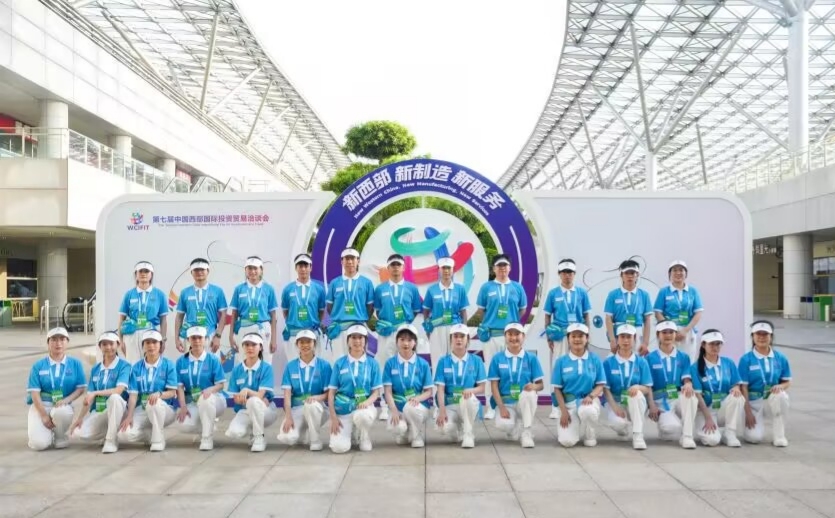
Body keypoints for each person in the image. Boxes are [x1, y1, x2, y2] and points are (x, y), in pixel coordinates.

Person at [474, 254, 528, 419]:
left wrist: (512, 324)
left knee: (512, 370)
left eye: (505, 265)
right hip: (492, 336)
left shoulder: (517, 287)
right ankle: (490, 407)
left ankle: (511, 404)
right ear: (494, 269)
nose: (502, 268)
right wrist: (488, 323)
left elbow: (522, 310)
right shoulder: (486, 287)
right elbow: (481, 311)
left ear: (509, 268)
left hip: (512, 337)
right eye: (499, 266)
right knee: (491, 371)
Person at [374, 254, 422, 421]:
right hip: (386, 333)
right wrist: (386, 324)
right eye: (392, 265)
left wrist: (404, 324)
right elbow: (377, 310)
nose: (395, 268)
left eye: (398, 265)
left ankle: (406, 402)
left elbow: (415, 310)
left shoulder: (411, 288)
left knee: (405, 366)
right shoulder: (380, 289)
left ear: (403, 268)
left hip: (404, 332)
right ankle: (384, 406)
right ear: (388, 268)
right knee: (385, 367)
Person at [543, 258, 592, 419]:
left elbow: (586, 315)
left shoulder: (581, 293)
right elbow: (547, 316)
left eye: (570, 272)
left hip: (578, 335)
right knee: (558, 368)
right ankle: (555, 406)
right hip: (560, 336)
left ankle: (575, 402)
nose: (567, 275)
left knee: (577, 368)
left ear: (574, 274)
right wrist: (549, 336)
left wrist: (587, 335)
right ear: (559, 274)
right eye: (564, 272)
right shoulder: (553, 293)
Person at [70, 331, 131, 453]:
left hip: (119, 410)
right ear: (100, 346)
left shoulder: (124, 366)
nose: (108, 347)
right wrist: (79, 418)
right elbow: (89, 398)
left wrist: (96, 393)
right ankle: (108, 432)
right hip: (100, 411)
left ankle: (111, 440)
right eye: (104, 344)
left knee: (115, 398)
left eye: (111, 344)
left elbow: (119, 390)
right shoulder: (96, 369)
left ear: (118, 345)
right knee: (78, 433)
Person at [27, 327, 86, 451]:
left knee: (62, 412)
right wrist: (43, 415)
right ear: (48, 343)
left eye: (62, 339)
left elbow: (80, 388)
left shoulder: (75, 364)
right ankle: (45, 433)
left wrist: (66, 400)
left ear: (67, 342)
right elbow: (34, 393)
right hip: (41, 405)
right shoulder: (38, 365)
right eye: (53, 339)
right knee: (39, 444)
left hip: (62, 405)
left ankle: (60, 435)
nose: (58, 343)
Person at [118, 330, 178, 452]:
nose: (151, 346)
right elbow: (133, 395)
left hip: (164, 408)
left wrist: (159, 394)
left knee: (154, 403)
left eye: (154, 342)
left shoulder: (168, 365)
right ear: (143, 346)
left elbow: (172, 392)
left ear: (161, 345)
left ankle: (158, 440)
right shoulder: (136, 367)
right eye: (147, 343)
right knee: (123, 435)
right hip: (142, 408)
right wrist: (129, 416)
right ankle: (150, 435)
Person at [327, 324, 382, 453]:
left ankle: (363, 436)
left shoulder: (373, 363)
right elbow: (331, 393)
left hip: (363, 407)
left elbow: (376, 392)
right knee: (339, 448)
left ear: (365, 341)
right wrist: (333, 417)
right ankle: (350, 432)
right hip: (344, 408)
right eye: (353, 337)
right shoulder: (339, 363)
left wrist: (366, 403)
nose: (357, 341)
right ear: (348, 341)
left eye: (360, 337)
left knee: (363, 416)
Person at [488, 323, 543, 448]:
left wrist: (533, 387)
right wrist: (501, 407)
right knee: (504, 425)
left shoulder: (531, 358)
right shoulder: (497, 358)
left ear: (523, 336)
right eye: (510, 334)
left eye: (517, 334)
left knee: (529, 394)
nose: (513, 338)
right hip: (506, 403)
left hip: (523, 401)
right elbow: (494, 386)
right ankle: (513, 428)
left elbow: (540, 385)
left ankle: (527, 433)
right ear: (505, 337)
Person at [646, 320, 699, 449]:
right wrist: (651, 405)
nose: (668, 335)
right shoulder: (649, 358)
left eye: (671, 332)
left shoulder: (684, 357)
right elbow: (648, 385)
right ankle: (666, 426)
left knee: (691, 397)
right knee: (672, 429)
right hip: (661, 401)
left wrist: (688, 384)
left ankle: (687, 436)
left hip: (678, 396)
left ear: (675, 334)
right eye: (664, 332)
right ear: (658, 335)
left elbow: (686, 378)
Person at [276, 330, 332, 451]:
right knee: (287, 437)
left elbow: (329, 394)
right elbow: (287, 395)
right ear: (297, 344)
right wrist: (288, 417)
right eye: (301, 342)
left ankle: (315, 439)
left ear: (314, 344)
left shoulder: (324, 365)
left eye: (308, 342)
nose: (305, 345)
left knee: (311, 406)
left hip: (318, 408)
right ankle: (302, 431)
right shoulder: (290, 366)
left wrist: (317, 398)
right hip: (297, 409)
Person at [552, 323, 605, 448]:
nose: (577, 339)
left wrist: (591, 396)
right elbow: (557, 389)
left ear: (587, 338)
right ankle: (575, 426)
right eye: (573, 336)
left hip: (587, 401)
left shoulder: (595, 359)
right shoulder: (561, 361)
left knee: (588, 411)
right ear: (568, 339)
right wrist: (564, 411)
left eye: (581, 336)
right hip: (568, 405)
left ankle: (589, 432)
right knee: (567, 442)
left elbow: (600, 385)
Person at [738, 320, 791, 447]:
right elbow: (743, 387)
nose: (761, 337)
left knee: (781, 396)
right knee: (754, 438)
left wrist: (780, 386)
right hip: (753, 402)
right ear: (752, 336)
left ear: (771, 336)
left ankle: (779, 436)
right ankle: (754, 427)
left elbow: (787, 381)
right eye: (758, 334)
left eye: (765, 334)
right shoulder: (746, 359)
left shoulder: (780, 358)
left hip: (772, 398)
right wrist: (748, 412)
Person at [690, 329, 745, 447]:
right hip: (706, 409)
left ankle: (730, 433)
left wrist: (736, 387)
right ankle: (719, 432)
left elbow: (736, 383)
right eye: (711, 344)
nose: (715, 347)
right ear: (703, 345)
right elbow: (698, 395)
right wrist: (708, 418)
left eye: (718, 344)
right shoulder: (695, 367)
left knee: (737, 397)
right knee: (712, 441)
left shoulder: (728, 363)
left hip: (723, 407)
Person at [175, 327, 227, 451]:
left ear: (205, 340)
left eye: (200, 338)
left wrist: (210, 390)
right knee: (183, 424)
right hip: (193, 402)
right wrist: (183, 407)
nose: (197, 341)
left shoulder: (213, 359)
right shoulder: (181, 362)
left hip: (214, 400)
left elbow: (221, 385)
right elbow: (179, 387)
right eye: (193, 338)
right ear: (188, 340)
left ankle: (207, 438)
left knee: (205, 400)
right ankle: (208, 426)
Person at [434, 324, 487, 448]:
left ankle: (468, 434)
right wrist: (441, 410)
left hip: (467, 403)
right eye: (455, 336)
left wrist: (471, 390)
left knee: (468, 399)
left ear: (468, 340)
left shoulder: (476, 360)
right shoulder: (443, 361)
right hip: (450, 404)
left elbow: (482, 387)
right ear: (451, 340)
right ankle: (455, 431)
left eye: (462, 336)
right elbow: (440, 389)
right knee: (442, 427)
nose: (459, 339)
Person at [225, 332, 279, 452]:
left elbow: (259, 396)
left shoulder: (266, 368)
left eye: (254, 345)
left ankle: (259, 437)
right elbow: (236, 398)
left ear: (260, 347)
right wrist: (243, 398)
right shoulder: (237, 370)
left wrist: (246, 391)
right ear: (243, 347)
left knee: (254, 401)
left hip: (266, 411)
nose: (250, 348)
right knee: (234, 432)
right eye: (247, 345)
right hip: (245, 410)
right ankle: (252, 432)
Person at [602, 324, 653, 450]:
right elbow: (605, 389)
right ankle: (622, 430)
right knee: (618, 424)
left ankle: (638, 435)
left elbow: (647, 387)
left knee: (637, 395)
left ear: (634, 339)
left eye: (629, 337)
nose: (625, 340)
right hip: (616, 401)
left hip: (634, 401)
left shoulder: (641, 362)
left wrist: (638, 387)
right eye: (622, 337)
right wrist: (615, 407)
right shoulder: (608, 362)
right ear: (617, 339)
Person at [382, 324, 433, 447]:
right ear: (397, 342)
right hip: (397, 406)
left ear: (415, 343)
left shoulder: (423, 364)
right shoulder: (390, 363)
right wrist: (394, 410)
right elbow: (388, 391)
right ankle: (404, 432)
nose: (406, 343)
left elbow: (429, 391)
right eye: (402, 339)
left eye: (410, 340)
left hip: (417, 406)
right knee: (397, 427)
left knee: (410, 408)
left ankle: (416, 435)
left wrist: (417, 398)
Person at [325, 248, 375, 363]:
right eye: (346, 259)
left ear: (358, 261)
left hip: (359, 329)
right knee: (338, 362)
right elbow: (329, 307)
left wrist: (360, 318)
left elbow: (370, 307)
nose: (350, 262)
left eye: (353, 258)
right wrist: (339, 317)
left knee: (359, 362)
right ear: (342, 262)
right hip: (339, 330)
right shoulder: (334, 283)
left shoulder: (366, 283)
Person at [422, 256, 469, 376]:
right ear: (439, 270)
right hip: (437, 329)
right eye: (443, 268)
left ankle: (456, 385)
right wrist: (428, 330)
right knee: (437, 361)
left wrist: (464, 330)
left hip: (455, 329)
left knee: (455, 359)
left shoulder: (460, 289)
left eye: (449, 268)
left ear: (453, 270)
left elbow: (463, 312)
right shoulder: (432, 290)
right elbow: (426, 311)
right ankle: (438, 387)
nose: (446, 271)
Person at [229, 256, 279, 365]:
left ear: (261, 270)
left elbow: (273, 315)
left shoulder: (268, 289)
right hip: (244, 328)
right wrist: (231, 336)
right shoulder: (239, 289)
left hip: (263, 329)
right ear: (245, 270)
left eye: (255, 268)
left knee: (265, 362)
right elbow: (234, 314)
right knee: (243, 361)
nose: (252, 271)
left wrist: (274, 339)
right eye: (250, 268)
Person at [174, 258, 229, 355]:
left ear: (208, 271)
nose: (199, 272)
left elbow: (223, 315)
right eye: (196, 270)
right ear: (191, 272)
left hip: (210, 335)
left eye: (202, 269)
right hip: (190, 336)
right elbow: (179, 316)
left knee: (212, 363)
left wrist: (218, 336)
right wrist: (176, 338)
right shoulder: (185, 292)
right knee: (191, 363)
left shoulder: (217, 291)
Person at [118, 261, 169, 364]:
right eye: (140, 271)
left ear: (151, 275)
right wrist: (120, 340)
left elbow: (163, 319)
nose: (143, 274)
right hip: (131, 335)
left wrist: (163, 339)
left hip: (151, 335)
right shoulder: (129, 294)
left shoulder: (159, 294)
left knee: (151, 364)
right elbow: (121, 319)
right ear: (136, 275)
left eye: (146, 271)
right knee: (132, 365)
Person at [653, 260, 704, 361]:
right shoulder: (664, 291)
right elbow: (658, 312)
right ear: (670, 274)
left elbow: (698, 313)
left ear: (686, 273)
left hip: (687, 331)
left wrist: (685, 330)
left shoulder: (693, 291)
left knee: (688, 360)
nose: (678, 273)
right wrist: (671, 329)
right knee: (668, 360)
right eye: (675, 270)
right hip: (668, 332)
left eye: (681, 270)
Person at [280, 253, 327, 359]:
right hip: (294, 334)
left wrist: (315, 323)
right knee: (294, 364)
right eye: (300, 266)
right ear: (296, 268)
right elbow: (285, 311)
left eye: (306, 266)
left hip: (312, 334)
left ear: (311, 267)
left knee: (313, 365)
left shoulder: (318, 289)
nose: (303, 269)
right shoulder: (288, 289)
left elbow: (321, 311)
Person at [604, 259, 654, 356]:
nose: (630, 276)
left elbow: (647, 320)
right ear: (621, 275)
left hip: (637, 332)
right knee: (617, 361)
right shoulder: (613, 294)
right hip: (619, 333)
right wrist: (612, 340)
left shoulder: (644, 295)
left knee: (637, 361)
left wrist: (645, 343)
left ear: (637, 275)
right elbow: (608, 318)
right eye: (627, 273)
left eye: (633, 273)